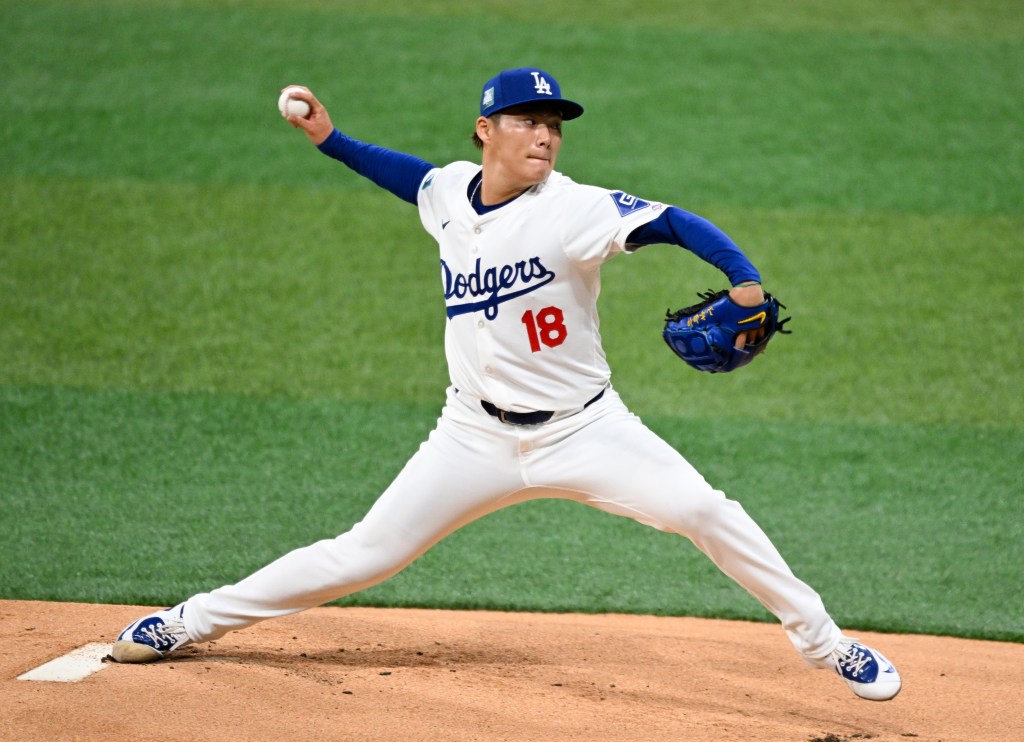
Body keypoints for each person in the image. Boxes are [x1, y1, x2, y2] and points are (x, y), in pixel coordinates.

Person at [111, 67, 901, 701]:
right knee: (363, 554)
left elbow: (675, 222)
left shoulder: (576, 210)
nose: (546, 137)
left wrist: (746, 281)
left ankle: (828, 645)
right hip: (472, 435)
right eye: (529, 121)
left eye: (553, 125)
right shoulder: (451, 192)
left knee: (703, 510)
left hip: (585, 430)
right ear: (486, 131)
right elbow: (409, 178)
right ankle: (189, 622)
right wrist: (329, 138)